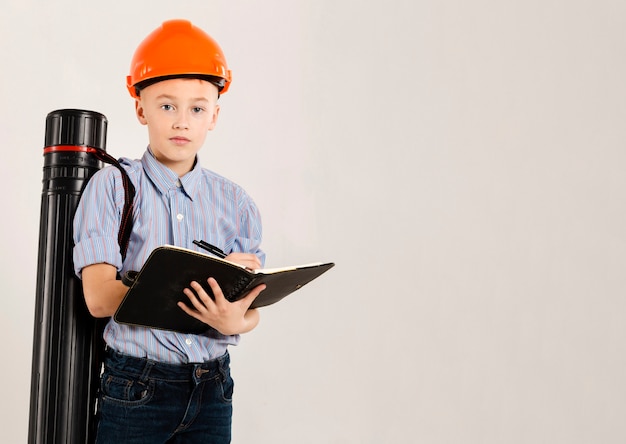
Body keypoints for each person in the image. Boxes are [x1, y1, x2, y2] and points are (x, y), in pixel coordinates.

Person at [73, 19, 266, 444]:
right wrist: (205, 280)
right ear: (141, 108)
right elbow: (100, 298)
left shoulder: (235, 203)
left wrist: (236, 317)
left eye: (197, 108)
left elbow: (248, 312)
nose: (182, 121)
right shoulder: (112, 187)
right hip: (137, 389)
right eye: (166, 106)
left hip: (213, 389)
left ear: (214, 115)